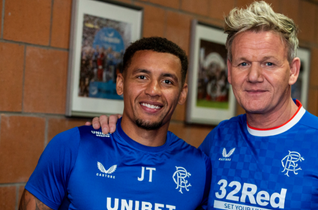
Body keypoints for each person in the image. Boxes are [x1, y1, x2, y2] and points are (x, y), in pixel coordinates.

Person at [92, 1, 318, 209]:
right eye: (243, 63)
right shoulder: (218, 140)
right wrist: (119, 129)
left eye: (268, 63)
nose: (254, 76)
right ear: (229, 71)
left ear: (292, 70)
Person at [19, 37, 211, 210]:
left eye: (167, 81)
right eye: (142, 77)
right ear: (120, 84)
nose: (153, 90)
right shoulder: (73, 146)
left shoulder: (199, 167)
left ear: (182, 94)